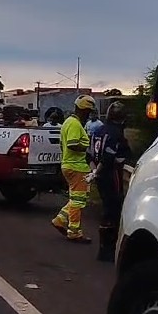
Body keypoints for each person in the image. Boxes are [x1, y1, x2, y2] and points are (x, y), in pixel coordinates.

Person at [87, 101, 131, 261]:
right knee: (114, 210)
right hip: (111, 174)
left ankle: (104, 249)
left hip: (100, 175)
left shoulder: (98, 131)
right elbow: (108, 157)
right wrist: (98, 171)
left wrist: (94, 172)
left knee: (107, 208)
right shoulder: (115, 134)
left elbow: (89, 155)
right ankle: (109, 249)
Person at [51, 94, 96, 243]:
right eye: (88, 112)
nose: (89, 115)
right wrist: (86, 147)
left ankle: (60, 219)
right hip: (76, 167)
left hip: (70, 165)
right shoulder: (75, 124)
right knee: (78, 202)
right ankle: (74, 232)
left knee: (77, 198)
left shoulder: (69, 122)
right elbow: (72, 144)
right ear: (84, 110)